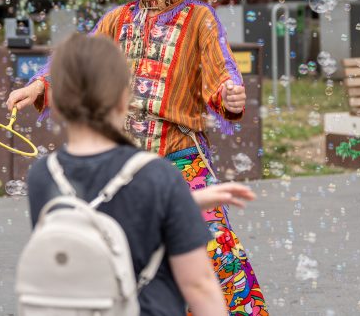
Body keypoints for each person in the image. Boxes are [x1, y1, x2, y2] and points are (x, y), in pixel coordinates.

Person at [9, 0, 268, 314]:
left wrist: (230, 93)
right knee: (124, 258)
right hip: (125, 164)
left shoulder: (199, 18)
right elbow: (78, 59)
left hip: (184, 161)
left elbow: (221, 73)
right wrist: (40, 83)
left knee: (215, 260)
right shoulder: (116, 19)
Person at [27, 33, 259, 315]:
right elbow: (198, 285)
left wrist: (182, 203)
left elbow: (102, 211)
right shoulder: (156, 173)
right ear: (126, 99)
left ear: (54, 102)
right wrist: (177, 201)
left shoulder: (42, 174)